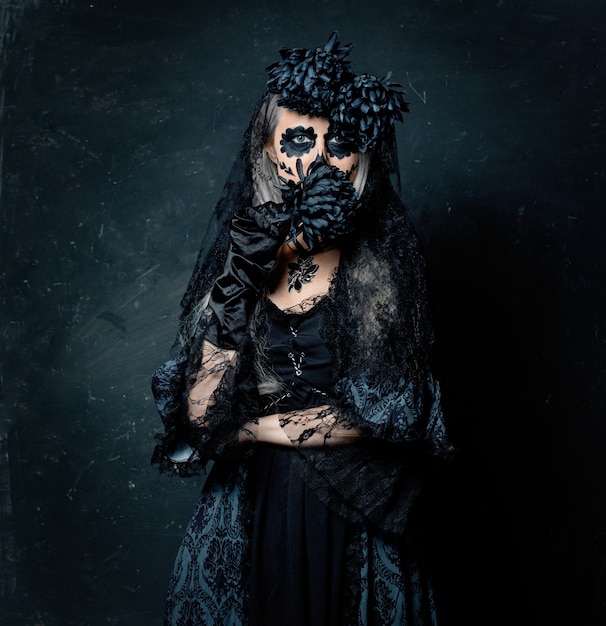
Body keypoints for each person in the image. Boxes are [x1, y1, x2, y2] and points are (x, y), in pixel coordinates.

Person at [151, 32, 453, 626]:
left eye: (338, 142)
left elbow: (381, 415)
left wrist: (252, 430)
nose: (316, 159)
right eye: (297, 139)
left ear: (360, 154)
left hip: (351, 511)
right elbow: (204, 418)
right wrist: (235, 294)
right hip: (246, 509)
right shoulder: (242, 258)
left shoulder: (383, 269)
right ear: (267, 150)